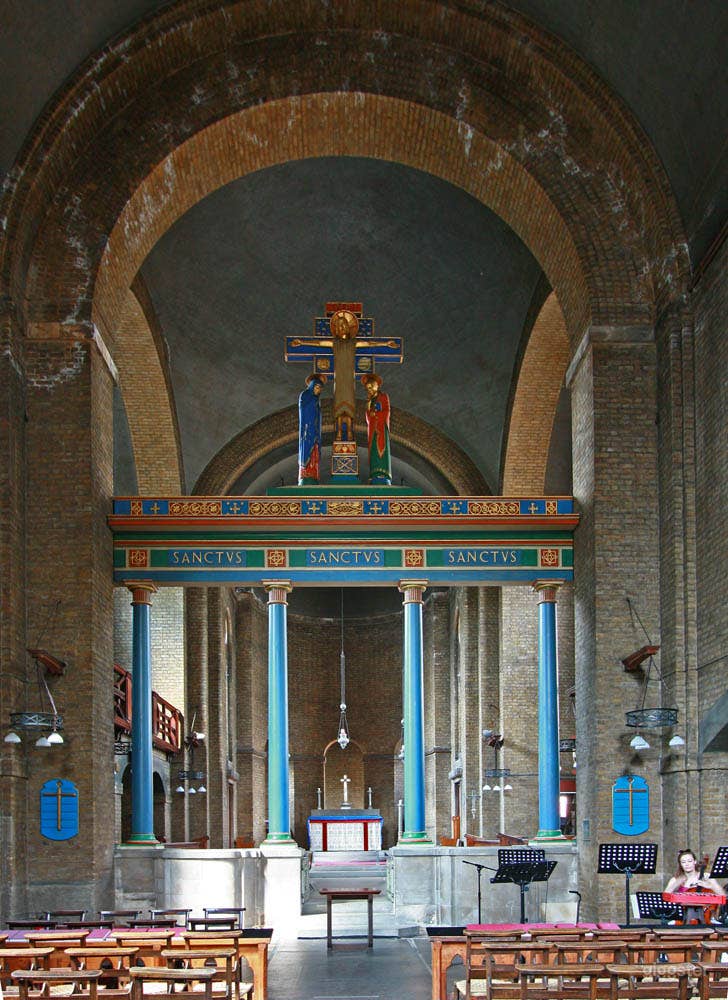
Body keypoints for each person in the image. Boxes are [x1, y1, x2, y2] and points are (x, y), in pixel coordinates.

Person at [665, 848, 724, 923]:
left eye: (689, 861)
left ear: (695, 862)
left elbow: (723, 895)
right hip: (683, 917)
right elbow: (665, 898)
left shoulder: (706, 876)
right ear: (680, 864)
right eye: (683, 862)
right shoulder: (676, 879)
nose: (687, 864)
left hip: (704, 916)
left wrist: (711, 886)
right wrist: (676, 883)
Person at [361, 372, 392, 486]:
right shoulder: (369, 401)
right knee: (373, 450)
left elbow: (387, 411)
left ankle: (383, 474)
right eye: (367, 388)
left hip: (381, 428)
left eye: (371, 387)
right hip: (373, 428)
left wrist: (377, 414)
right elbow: (368, 417)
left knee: (382, 449)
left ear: (376, 385)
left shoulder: (383, 396)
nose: (369, 389)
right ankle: (374, 473)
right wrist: (370, 412)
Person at [298, 374, 324, 485]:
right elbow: (303, 408)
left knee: (315, 452)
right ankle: (306, 476)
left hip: (315, 430)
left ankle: (313, 474)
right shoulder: (305, 395)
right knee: (306, 449)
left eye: (320, 389)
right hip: (307, 429)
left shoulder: (316, 400)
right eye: (317, 388)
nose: (318, 391)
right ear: (312, 386)